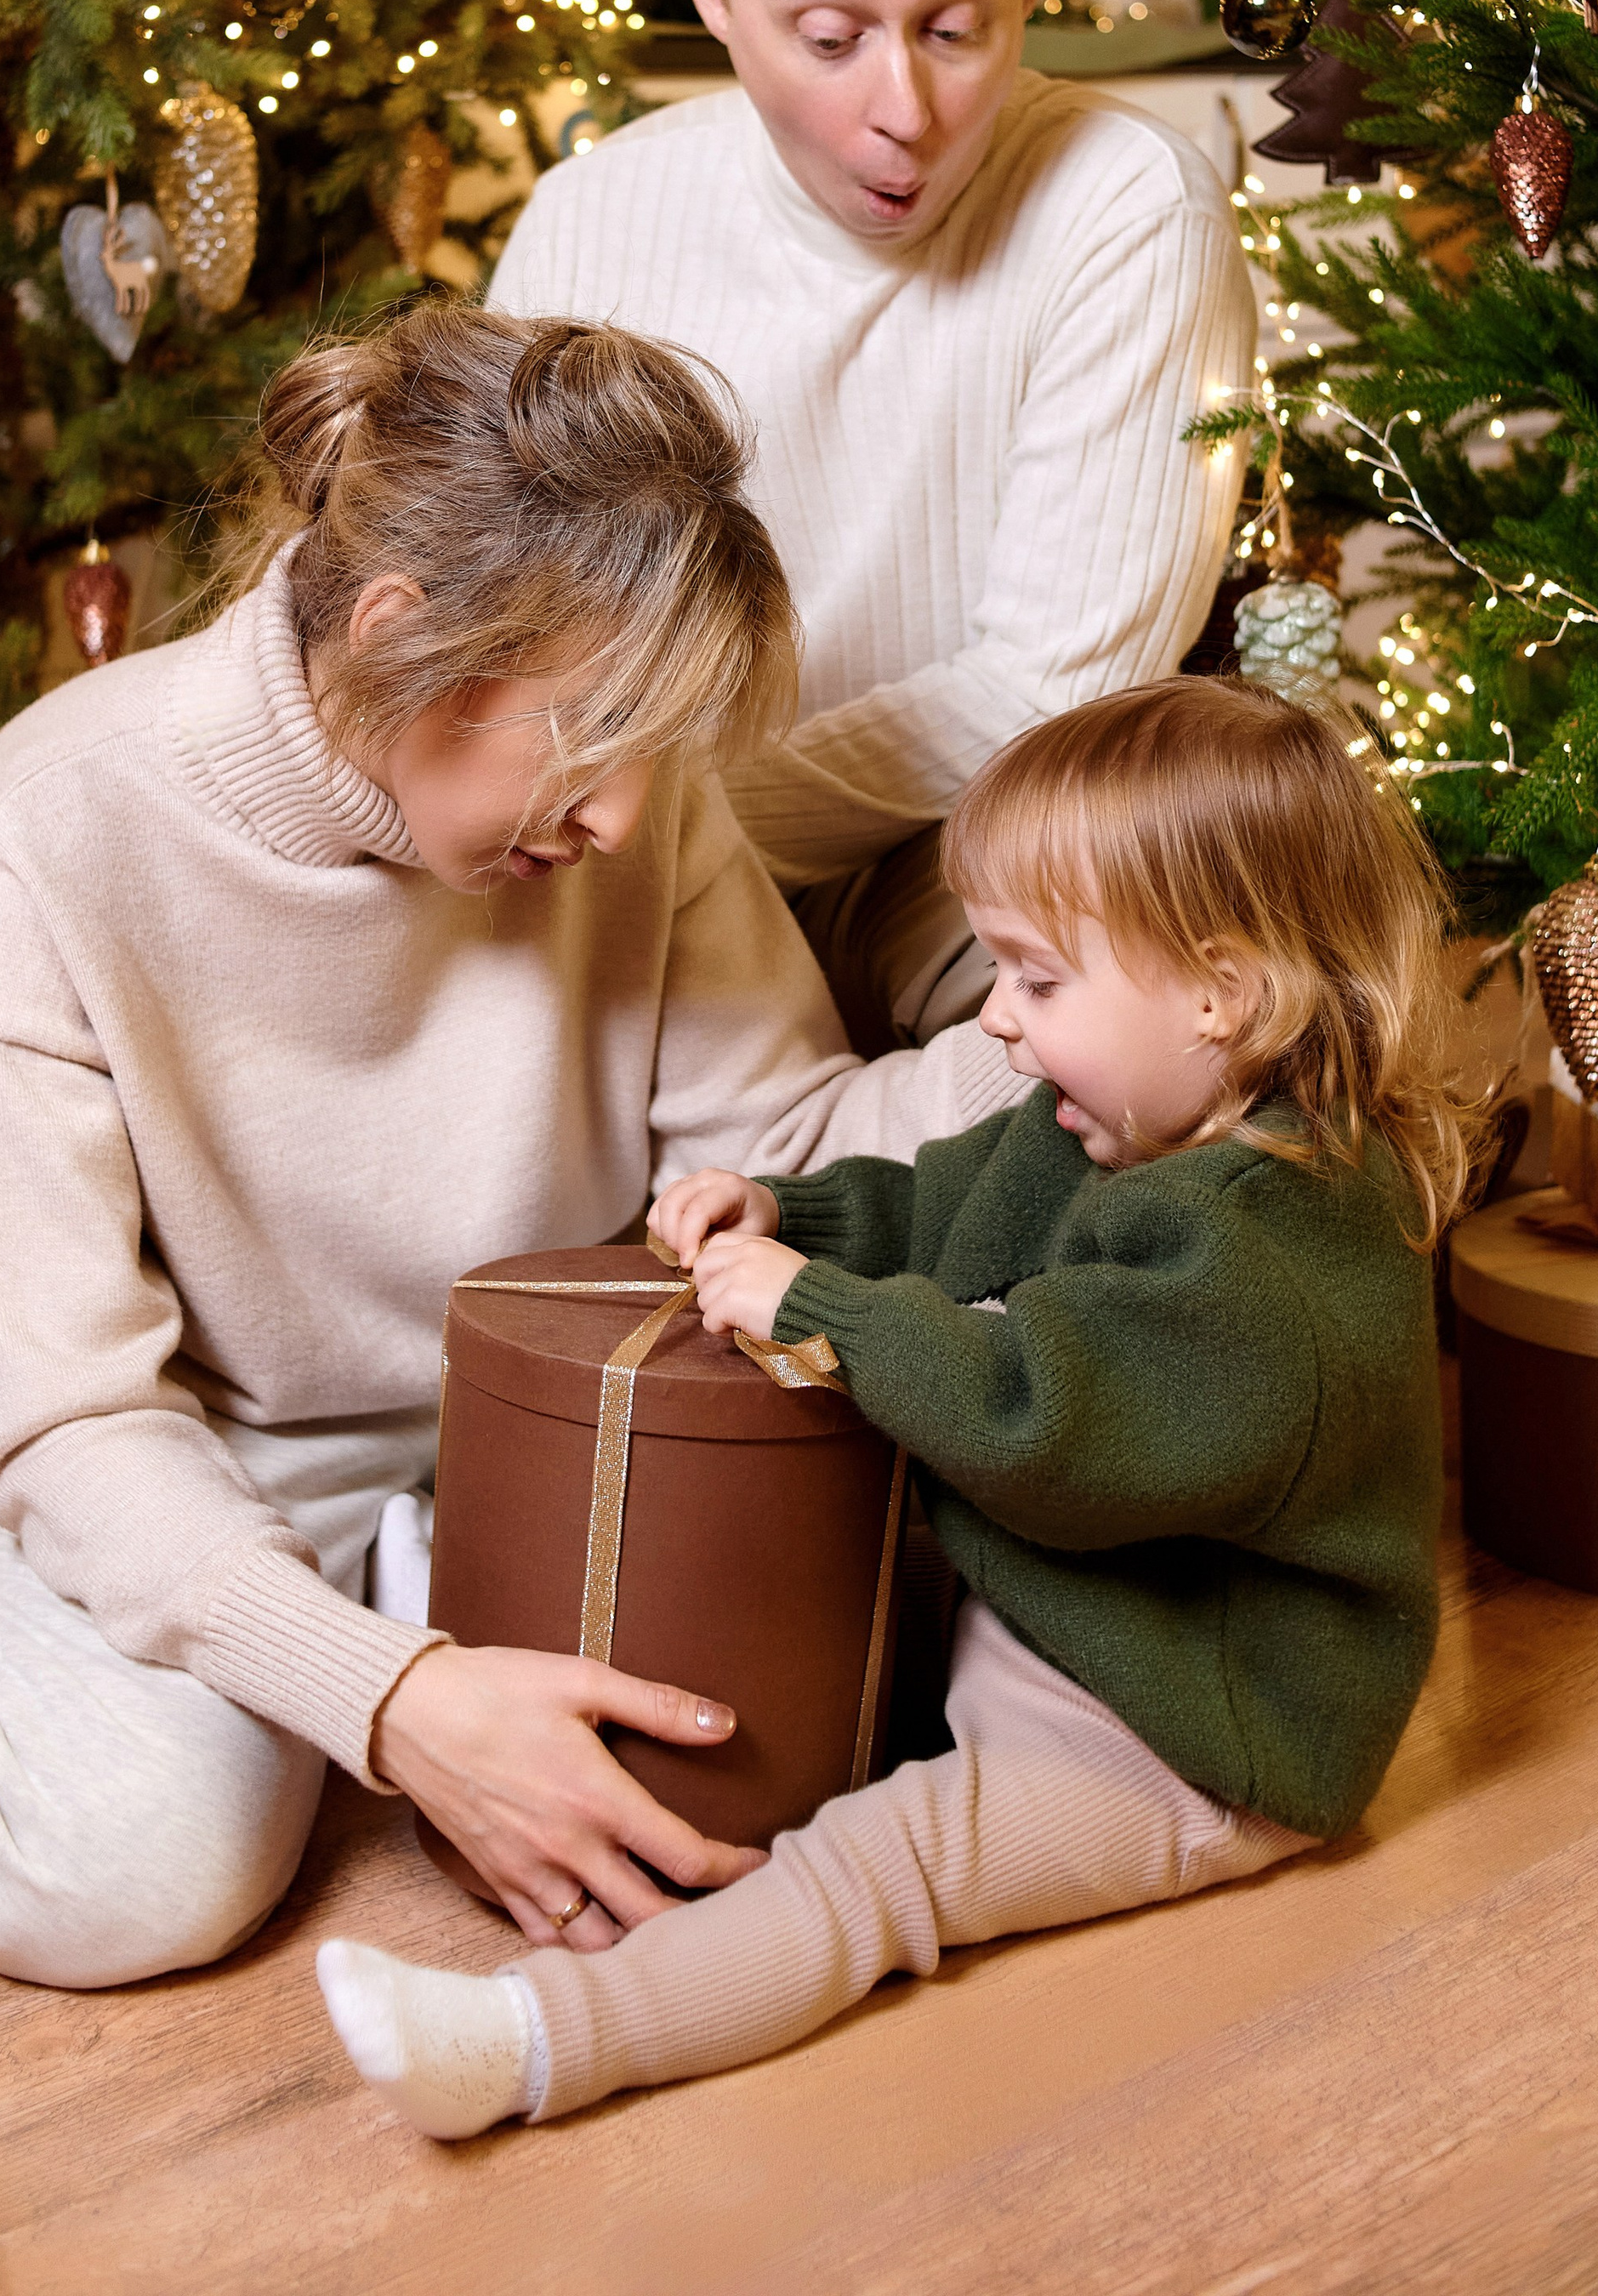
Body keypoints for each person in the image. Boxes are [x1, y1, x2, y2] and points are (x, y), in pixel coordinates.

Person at [0, 311, 1022, 1988]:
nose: (626, 827)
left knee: (874, 1706)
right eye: (590, 755)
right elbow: (75, 1414)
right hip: (191, 1435)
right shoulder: (55, 820)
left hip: (536, 1406)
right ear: (393, 633)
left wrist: (1052, 1049)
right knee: (135, 1867)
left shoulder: (612, 808)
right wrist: (388, 1699)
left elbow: (789, 1150)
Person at [315, 674, 1464, 2136]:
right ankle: (501, 1619)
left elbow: (1044, 1418)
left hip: (1177, 1725)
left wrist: (818, 1310)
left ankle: (538, 2045)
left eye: (1040, 982)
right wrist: (786, 1210)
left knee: (878, 1872)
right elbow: (938, 1206)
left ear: (1219, 995)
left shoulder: (1269, 1248)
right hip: (1069, 1610)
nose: (997, 1019)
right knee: (792, 1600)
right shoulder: (1111, 1123)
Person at [490, 0, 1256, 1055]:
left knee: (1160, 1066)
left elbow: (1050, 687)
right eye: (831, 38)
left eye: (957, 27)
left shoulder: (1132, 203)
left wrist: (677, 836)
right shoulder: (588, 217)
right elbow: (512, 622)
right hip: (623, 872)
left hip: (968, 873)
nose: (902, 107)